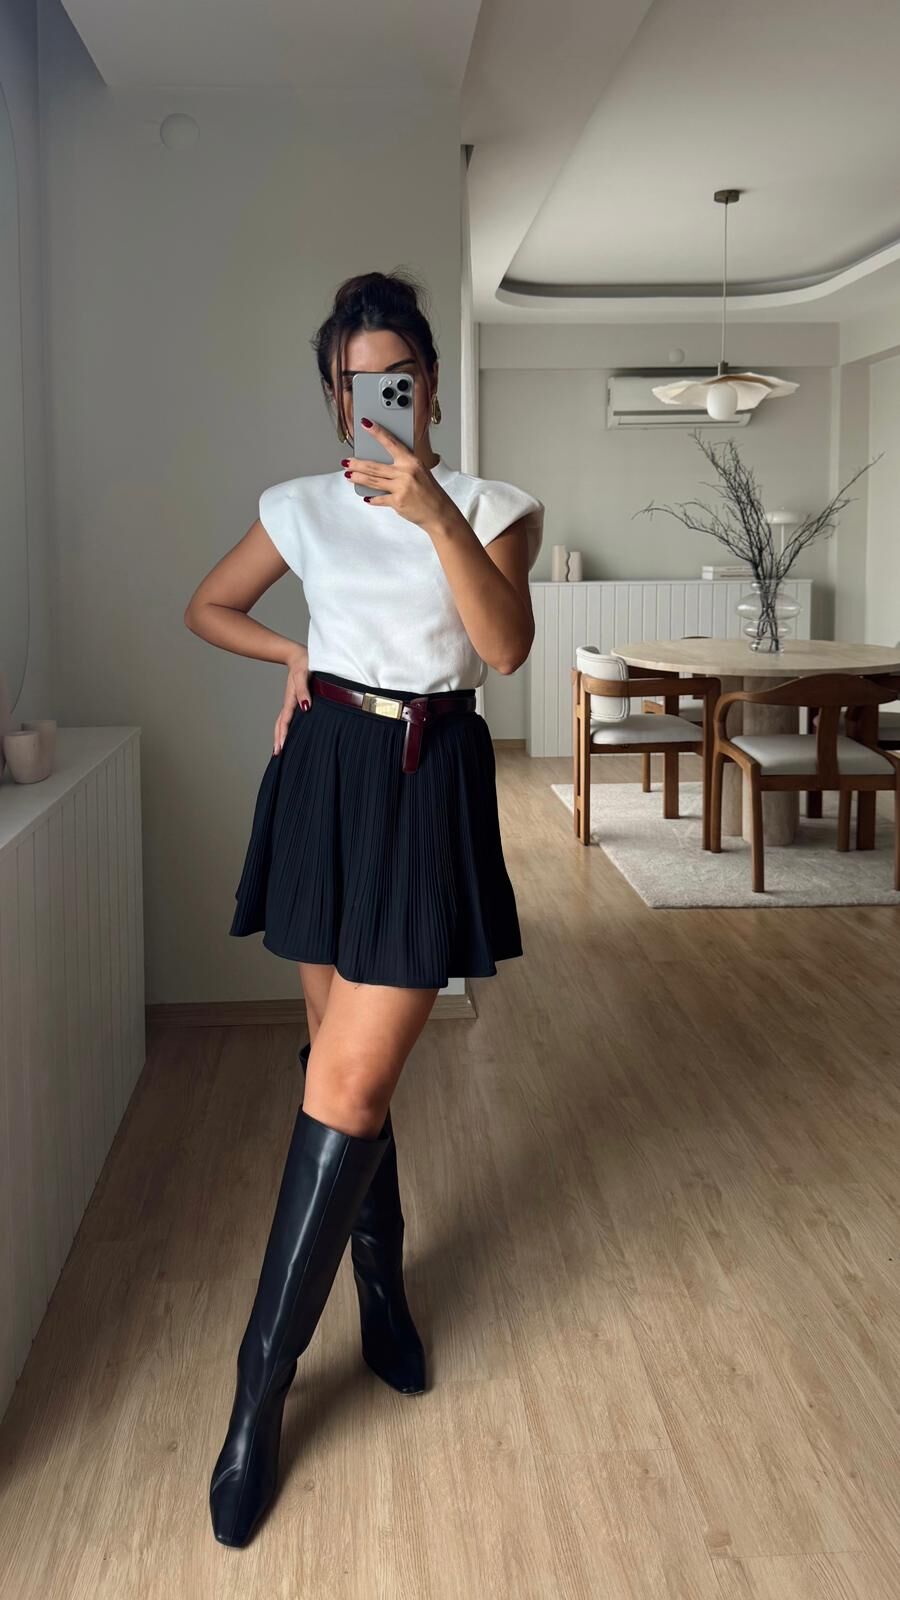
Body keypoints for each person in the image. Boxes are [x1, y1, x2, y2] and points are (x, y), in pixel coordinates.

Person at [183, 268, 545, 1548]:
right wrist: (293, 654)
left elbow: (504, 647)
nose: (376, 400)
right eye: (354, 385)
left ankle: (256, 1393)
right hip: (328, 776)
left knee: (346, 1083)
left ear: (429, 384)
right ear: (335, 396)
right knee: (342, 1071)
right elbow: (208, 606)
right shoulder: (299, 505)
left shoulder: (495, 508)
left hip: (425, 778)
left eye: (396, 378)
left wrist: (435, 510)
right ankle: (380, 1290)